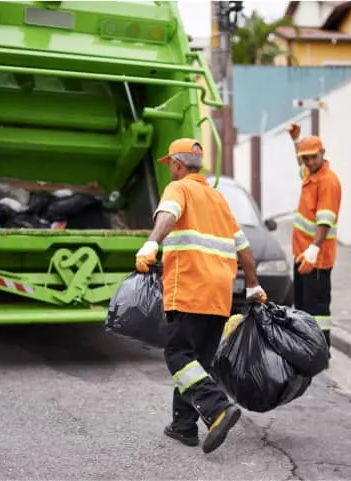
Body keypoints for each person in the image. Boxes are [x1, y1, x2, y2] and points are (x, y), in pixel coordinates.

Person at [135, 138, 267, 454]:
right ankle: (184, 427)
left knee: (178, 355)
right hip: (219, 294)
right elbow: (243, 247)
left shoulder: (179, 188)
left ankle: (217, 407)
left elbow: (168, 215)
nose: (170, 170)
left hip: (189, 287)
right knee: (198, 363)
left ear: (178, 165)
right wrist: (253, 285)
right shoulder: (219, 199)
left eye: (171, 165)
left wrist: (152, 243)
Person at [287, 124, 342, 351]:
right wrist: (296, 140)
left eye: (313, 157)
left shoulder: (327, 181)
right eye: (306, 158)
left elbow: (325, 222)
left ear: (323, 154)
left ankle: (320, 350)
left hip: (316, 258)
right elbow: (301, 164)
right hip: (303, 255)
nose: (309, 162)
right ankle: (306, 348)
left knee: (317, 309)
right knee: (302, 306)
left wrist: (313, 250)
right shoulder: (311, 174)